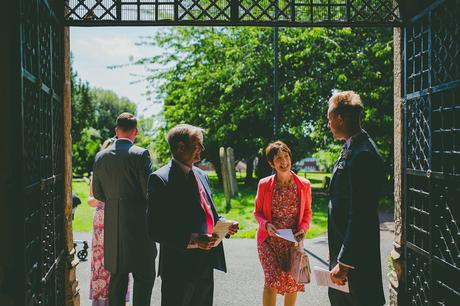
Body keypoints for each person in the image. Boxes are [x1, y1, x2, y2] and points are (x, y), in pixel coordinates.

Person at [147, 124, 239, 306]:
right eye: (198, 144)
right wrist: (195, 240)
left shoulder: (201, 175)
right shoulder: (160, 179)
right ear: (181, 147)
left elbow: (208, 212)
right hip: (178, 268)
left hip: (205, 264)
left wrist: (224, 224)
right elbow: (155, 229)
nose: (203, 149)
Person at [326, 91, 386, 306]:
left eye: (329, 118)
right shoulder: (350, 147)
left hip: (356, 262)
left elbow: (361, 214)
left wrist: (344, 262)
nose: (328, 124)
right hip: (343, 251)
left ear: (340, 118)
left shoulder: (364, 154)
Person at [92, 113, 157, 306]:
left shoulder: (101, 157)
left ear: (116, 131)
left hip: (114, 227)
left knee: (117, 280)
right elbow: (149, 191)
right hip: (139, 226)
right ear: (135, 132)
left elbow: (97, 193)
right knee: (144, 278)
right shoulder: (140, 154)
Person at [254, 141, 312, 306]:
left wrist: (303, 229)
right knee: (272, 281)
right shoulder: (264, 184)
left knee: (293, 283)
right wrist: (265, 224)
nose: (283, 161)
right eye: (278, 158)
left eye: (286, 156)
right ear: (271, 163)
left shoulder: (304, 185)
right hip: (269, 241)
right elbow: (257, 212)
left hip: (292, 242)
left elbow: (307, 212)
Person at [88, 138, 131, 306]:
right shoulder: (97, 172)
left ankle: (119, 298)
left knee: (120, 259)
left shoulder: (122, 173)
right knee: (100, 262)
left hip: (120, 217)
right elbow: (90, 200)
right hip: (101, 222)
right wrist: (108, 200)